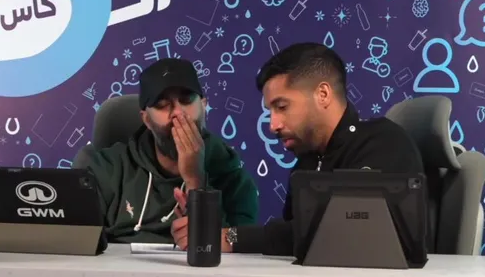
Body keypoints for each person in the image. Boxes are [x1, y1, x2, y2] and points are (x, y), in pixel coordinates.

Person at [222, 42, 424, 255]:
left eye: (282, 107)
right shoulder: (307, 161)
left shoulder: (383, 144)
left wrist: (230, 238)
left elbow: (332, 232)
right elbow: (295, 233)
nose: (273, 125)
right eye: (270, 111)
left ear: (323, 94)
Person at [85, 58, 259, 245]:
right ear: (146, 119)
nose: (178, 112)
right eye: (162, 104)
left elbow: (241, 242)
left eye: (186, 100)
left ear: (203, 106)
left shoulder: (234, 180)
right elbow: (78, 242)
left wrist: (195, 181)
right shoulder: (106, 169)